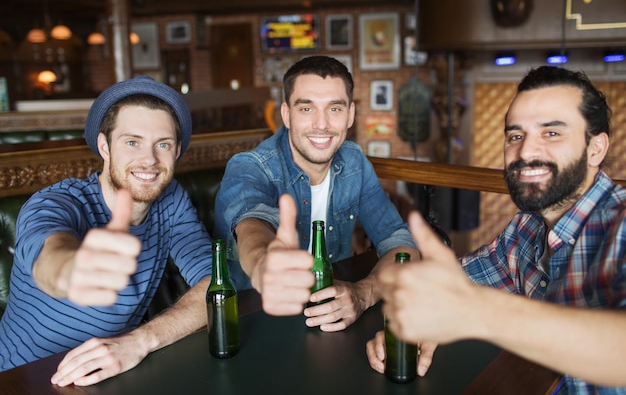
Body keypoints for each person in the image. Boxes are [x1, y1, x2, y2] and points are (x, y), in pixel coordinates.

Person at [366, 65, 626, 393]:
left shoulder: (621, 226)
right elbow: (455, 288)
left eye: (552, 133)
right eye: (515, 135)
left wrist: (477, 312)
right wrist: (411, 324)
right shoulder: (525, 228)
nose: (526, 151)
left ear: (596, 148)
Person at [0, 76, 213, 387]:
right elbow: (49, 254)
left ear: (177, 150)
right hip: (22, 380)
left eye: (163, 144)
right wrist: (72, 271)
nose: (149, 160)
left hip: (108, 379)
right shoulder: (57, 202)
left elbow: (216, 282)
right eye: (132, 142)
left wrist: (140, 341)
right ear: (104, 146)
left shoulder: (171, 200)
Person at [214, 55, 417, 332]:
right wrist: (263, 263)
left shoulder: (355, 163)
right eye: (306, 109)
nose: (321, 124)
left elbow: (401, 244)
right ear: (286, 115)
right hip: (256, 322)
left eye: (334, 109)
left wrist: (363, 293)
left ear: (350, 115)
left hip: (332, 321)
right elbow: (250, 221)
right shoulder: (250, 167)